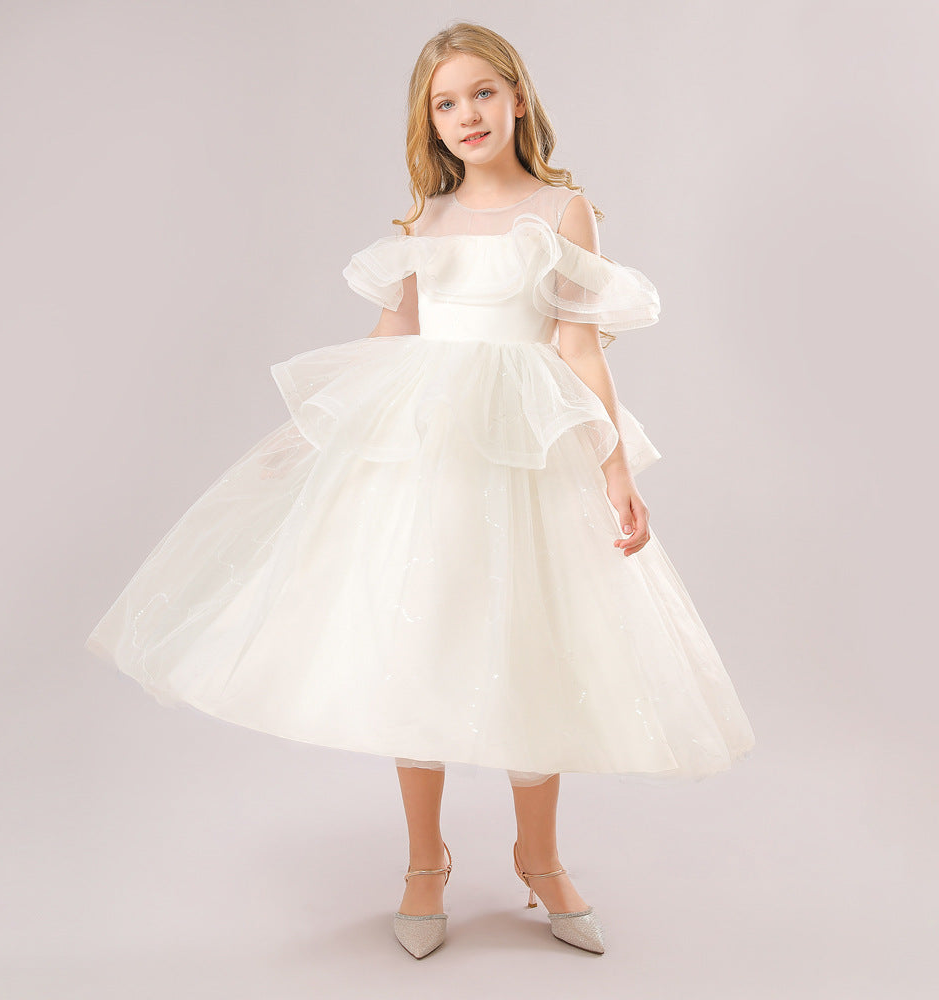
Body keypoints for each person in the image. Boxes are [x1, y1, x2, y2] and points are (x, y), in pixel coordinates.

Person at [85, 21, 755, 960]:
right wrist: (314, 436)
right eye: (446, 103)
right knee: (419, 635)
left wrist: (613, 466)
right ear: (428, 122)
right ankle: (424, 862)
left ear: (517, 99)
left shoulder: (561, 211)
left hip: (523, 457)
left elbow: (578, 347)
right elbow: (393, 339)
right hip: (429, 459)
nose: (466, 114)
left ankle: (538, 856)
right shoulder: (424, 223)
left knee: (532, 642)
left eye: (482, 93)